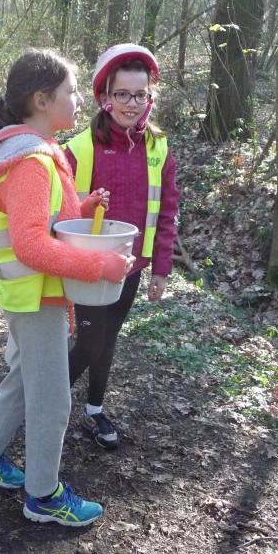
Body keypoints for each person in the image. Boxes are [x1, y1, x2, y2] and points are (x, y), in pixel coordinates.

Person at [0, 49, 135, 526]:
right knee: (54, 399)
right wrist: (100, 265)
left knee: (21, 377)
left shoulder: (35, 153)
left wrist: (82, 206)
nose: (79, 100)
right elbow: (32, 244)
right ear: (41, 100)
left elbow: (47, 220)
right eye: (71, 91)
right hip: (36, 296)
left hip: (30, 295)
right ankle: (44, 496)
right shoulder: (32, 161)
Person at [63, 43, 180, 449]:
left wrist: (160, 268)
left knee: (108, 338)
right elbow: (55, 211)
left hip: (132, 265)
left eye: (140, 94)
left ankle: (93, 411)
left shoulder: (158, 147)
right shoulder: (79, 148)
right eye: (122, 94)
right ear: (104, 97)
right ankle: (43, 403)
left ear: (150, 95)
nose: (132, 103)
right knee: (91, 341)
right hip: (88, 266)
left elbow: (167, 211)